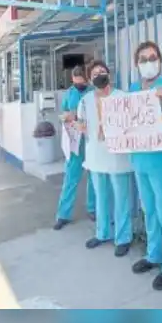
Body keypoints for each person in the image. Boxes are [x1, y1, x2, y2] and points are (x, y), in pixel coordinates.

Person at [127, 41, 162, 291]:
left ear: (160, 60)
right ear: (137, 65)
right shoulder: (132, 89)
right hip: (140, 158)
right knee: (149, 209)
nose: (148, 63)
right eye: (143, 59)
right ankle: (154, 254)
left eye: (152, 58)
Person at [76, 60, 135, 257]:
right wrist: (79, 126)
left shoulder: (122, 97)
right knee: (101, 197)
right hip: (95, 155)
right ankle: (102, 233)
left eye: (102, 71)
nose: (99, 75)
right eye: (94, 74)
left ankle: (123, 237)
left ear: (109, 74)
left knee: (121, 198)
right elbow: (81, 123)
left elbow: (133, 122)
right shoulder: (85, 101)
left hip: (118, 156)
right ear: (90, 80)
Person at [54, 65, 97, 229]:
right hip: (74, 143)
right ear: (72, 80)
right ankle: (63, 214)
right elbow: (62, 114)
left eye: (82, 82)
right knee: (70, 178)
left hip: (90, 140)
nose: (79, 85)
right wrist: (66, 116)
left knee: (93, 177)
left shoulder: (92, 92)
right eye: (76, 82)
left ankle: (92, 209)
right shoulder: (69, 94)